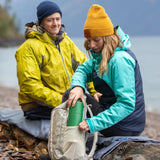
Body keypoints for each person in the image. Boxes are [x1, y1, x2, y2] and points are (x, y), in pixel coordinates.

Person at [67, 4, 146, 137]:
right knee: (74, 94)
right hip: (117, 117)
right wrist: (78, 87)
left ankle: (71, 147)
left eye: (96, 40)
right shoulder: (101, 54)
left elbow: (126, 104)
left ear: (107, 37)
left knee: (70, 98)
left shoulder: (119, 60)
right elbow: (83, 70)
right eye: (89, 40)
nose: (91, 45)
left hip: (125, 124)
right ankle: (70, 142)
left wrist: (93, 123)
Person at [15, 1, 96, 120]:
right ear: (41, 23)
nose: (55, 23)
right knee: (83, 118)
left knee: (99, 109)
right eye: (50, 20)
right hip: (37, 105)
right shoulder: (28, 48)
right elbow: (29, 86)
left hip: (66, 100)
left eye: (58, 19)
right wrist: (64, 100)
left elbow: (85, 67)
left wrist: (94, 92)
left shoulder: (66, 42)